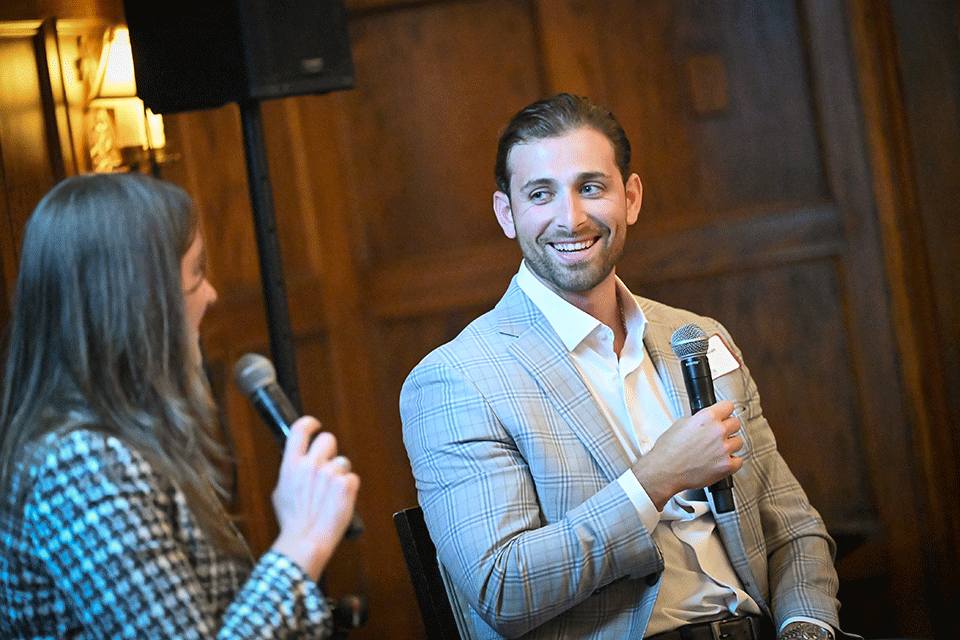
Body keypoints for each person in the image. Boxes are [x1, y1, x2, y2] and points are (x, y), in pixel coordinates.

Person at [400, 94, 853, 640]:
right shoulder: (457, 380)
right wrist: (656, 478)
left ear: (630, 197)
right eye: (540, 194)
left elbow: (793, 530)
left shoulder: (700, 338)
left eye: (591, 187)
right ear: (507, 213)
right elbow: (504, 587)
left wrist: (807, 628)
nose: (570, 218)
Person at [0, 173, 360, 639]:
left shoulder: (123, 439)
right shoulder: (82, 465)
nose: (210, 294)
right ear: (140, 300)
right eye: (196, 273)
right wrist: (301, 543)